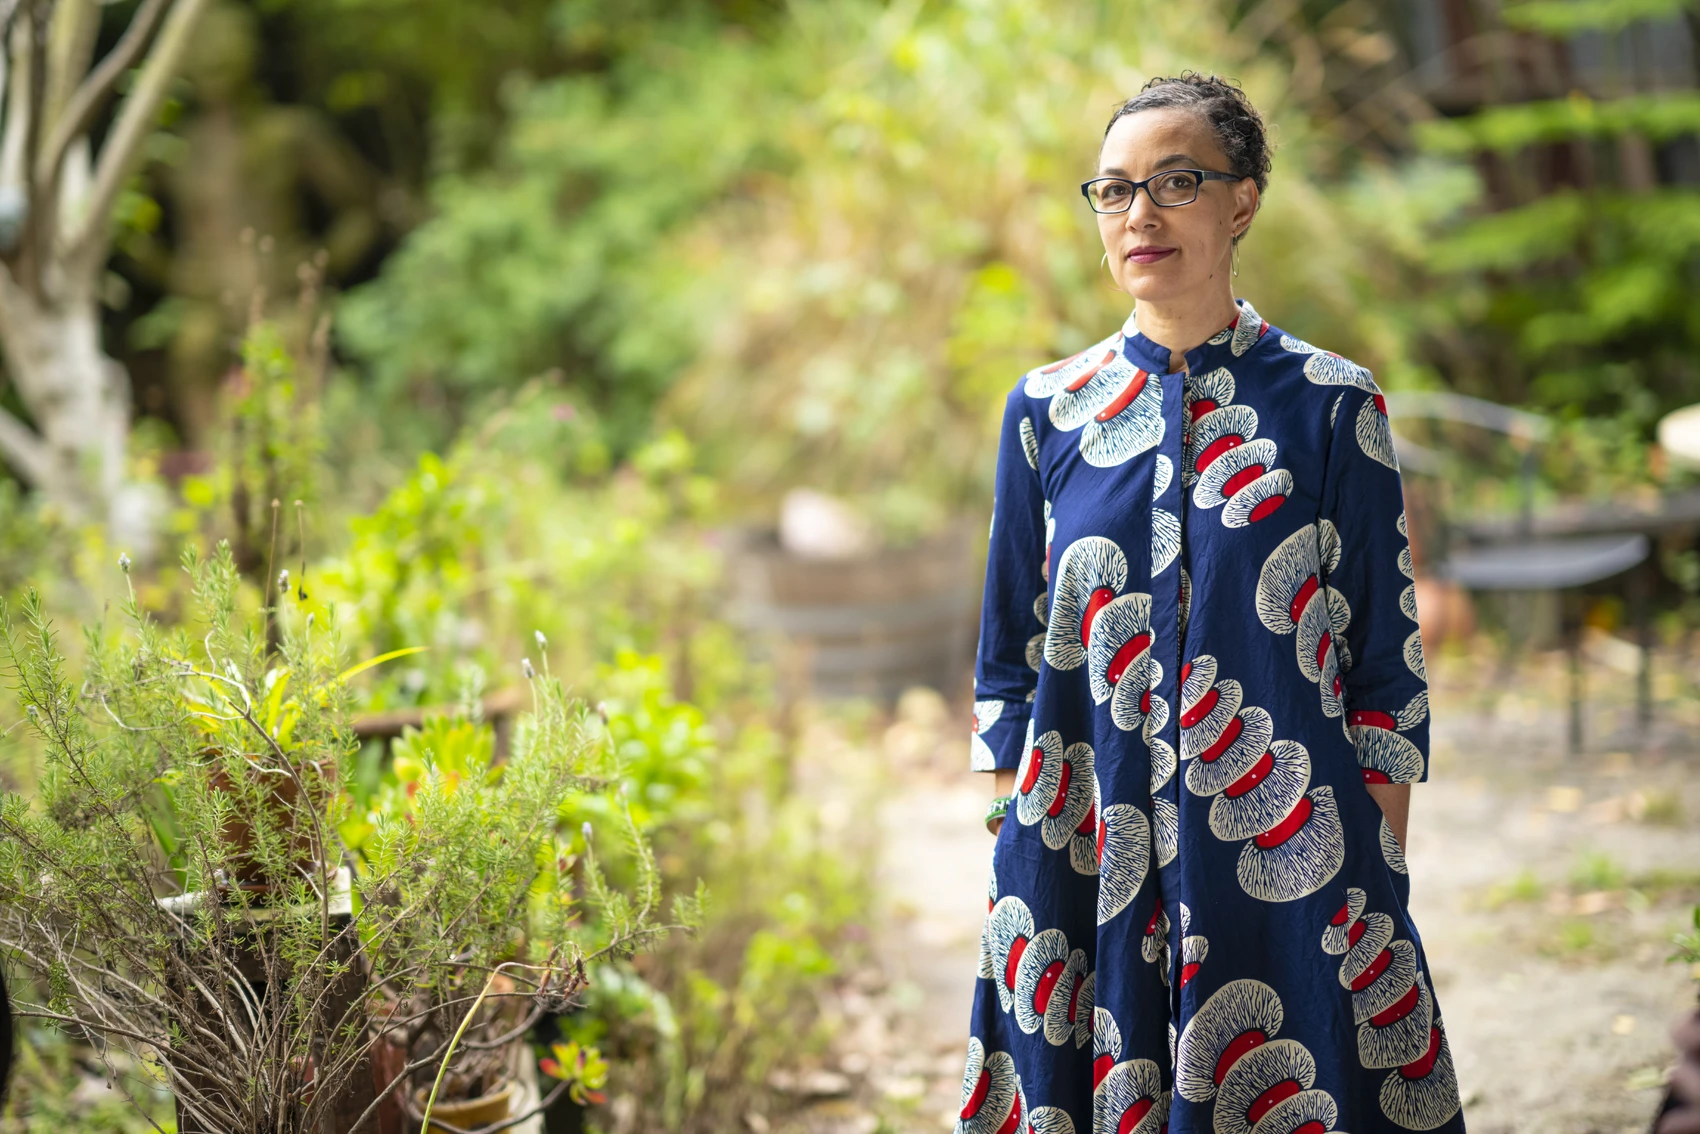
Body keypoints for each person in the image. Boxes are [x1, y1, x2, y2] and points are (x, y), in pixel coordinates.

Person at [958, 73, 1464, 1133]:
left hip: (1289, 856)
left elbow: (1381, 658)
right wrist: (1018, 834)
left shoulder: (1332, 403)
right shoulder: (1045, 412)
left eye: (1175, 181)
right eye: (1112, 190)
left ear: (1240, 202)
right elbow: (1005, 652)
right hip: (1079, 846)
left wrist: (1373, 865)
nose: (1139, 213)